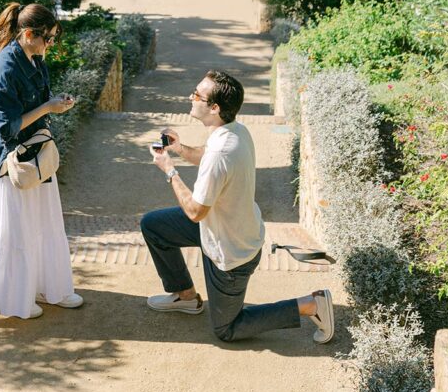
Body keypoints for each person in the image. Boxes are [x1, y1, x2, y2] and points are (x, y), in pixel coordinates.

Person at [140, 69, 334, 344]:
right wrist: (180, 149)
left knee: (227, 330)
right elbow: (206, 156)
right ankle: (184, 296)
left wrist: (169, 170)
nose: (191, 97)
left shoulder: (221, 152)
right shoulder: (234, 131)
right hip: (221, 228)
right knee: (154, 226)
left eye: (197, 94)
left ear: (214, 108)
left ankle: (310, 304)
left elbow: (195, 212)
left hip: (231, 252)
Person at [0, 2, 84, 319]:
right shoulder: (3, 68)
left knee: (44, 223)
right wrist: (48, 107)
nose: (51, 44)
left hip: (36, 154)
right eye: (47, 38)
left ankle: (49, 288)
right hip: (12, 161)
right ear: (29, 33)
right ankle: (15, 299)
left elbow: (40, 102)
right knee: (17, 230)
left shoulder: (34, 59)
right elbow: (6, 126)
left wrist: (56, 103)